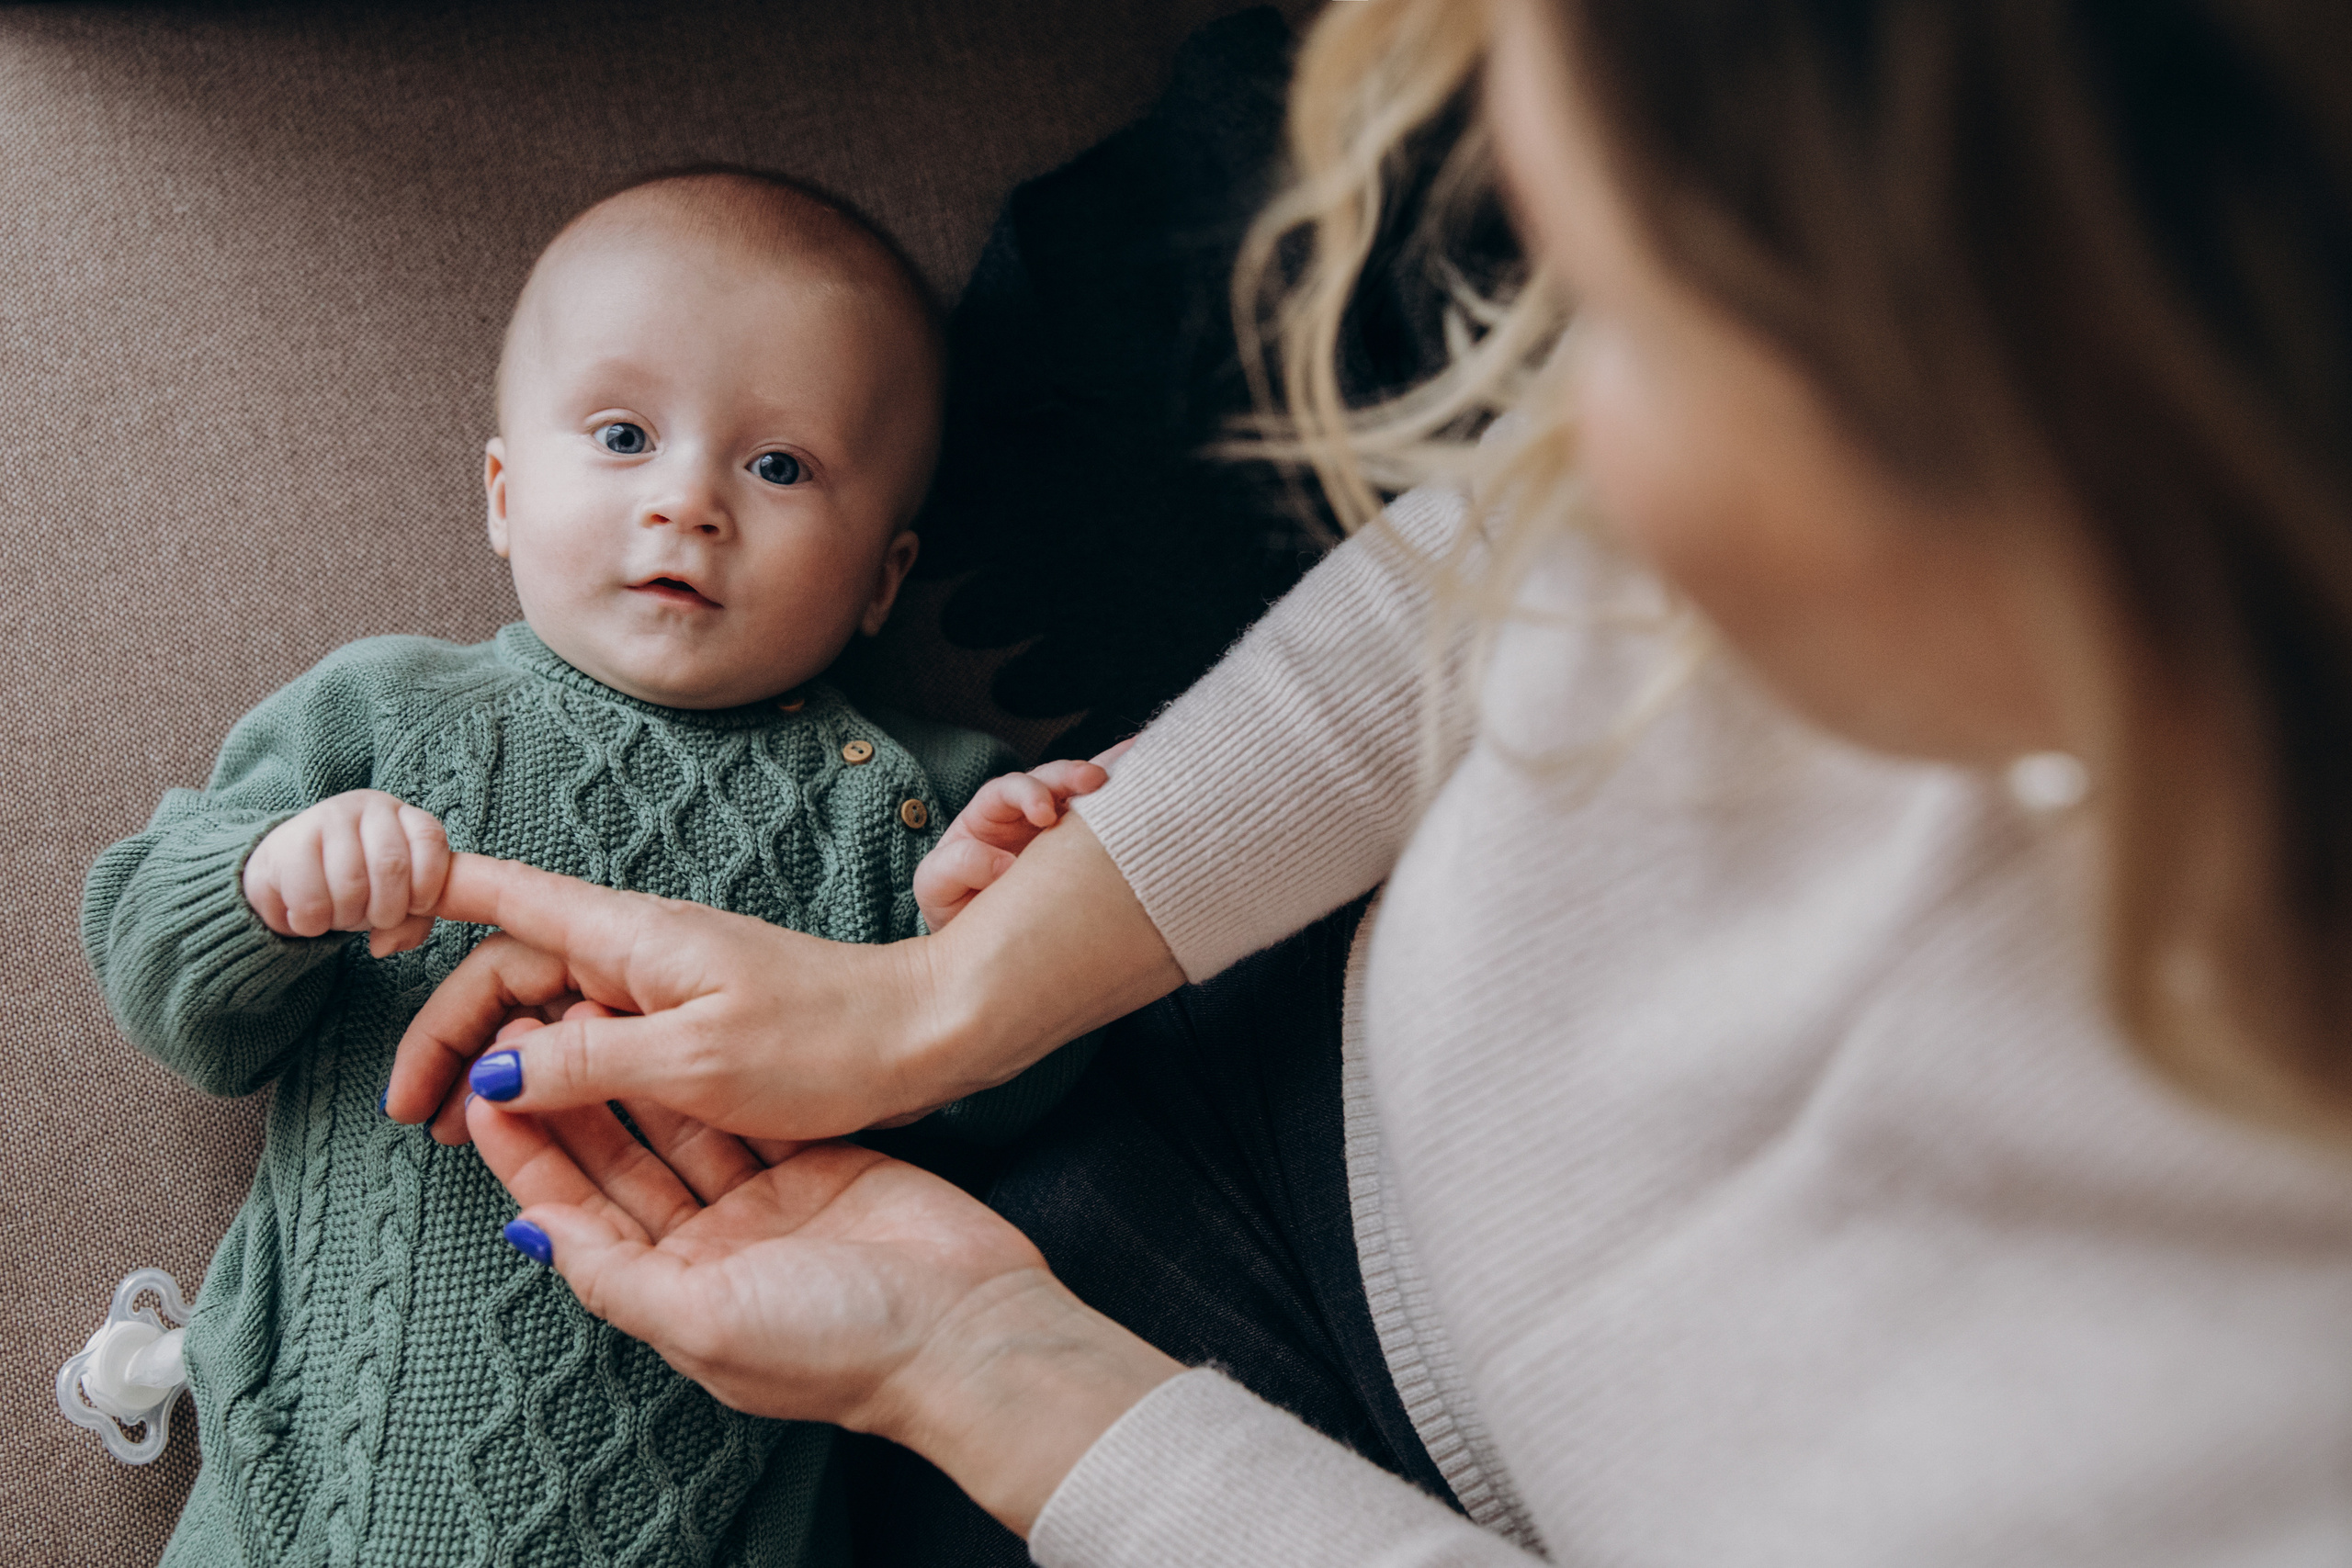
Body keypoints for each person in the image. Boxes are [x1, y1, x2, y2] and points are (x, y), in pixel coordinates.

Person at [390, 2, 2352, 1563]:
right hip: (1258, 1061)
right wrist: (942, 998)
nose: (1531, 445)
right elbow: (1485, 564)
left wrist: (993, 1373)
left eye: (1641, 343)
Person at [82, 168, 1103, 1568]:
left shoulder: (918, 806)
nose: (688, 503)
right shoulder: (388, 718)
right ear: (505, 495)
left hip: (722, 1505)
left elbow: (1011, 1104)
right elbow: (162, 977)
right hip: (311, 1480)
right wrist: (270, 880)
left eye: (780, 466)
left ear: (882, 578)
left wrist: (992, 931)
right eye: (624, 435)